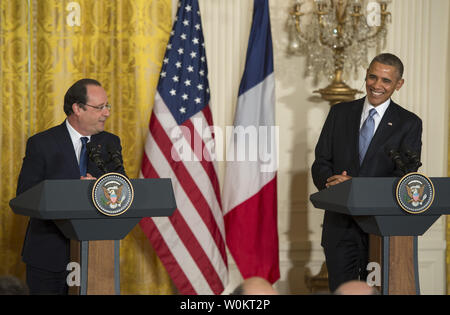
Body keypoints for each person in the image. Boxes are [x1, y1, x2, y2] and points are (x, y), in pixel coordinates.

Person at [311, 53, 422, 292]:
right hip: (340, 230)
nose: (377, 85)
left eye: (385, 81)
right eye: (373, 77)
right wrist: (333, 185)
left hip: (380, 231)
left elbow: (405, 176)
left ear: (398, 84)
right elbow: (321, 162)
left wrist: (356, 188)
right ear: (366, 75)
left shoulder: (408, 123)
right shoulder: (339, 113)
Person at [16, 78, 125, 294]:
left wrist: (103, 189)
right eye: (100, 107)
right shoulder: (42, 143)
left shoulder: (110, 143)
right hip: (48, 255)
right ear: (77, 108)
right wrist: (74, 190)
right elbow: (25, 195)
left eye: (107, 106)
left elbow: (122, 190)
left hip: (97, 255)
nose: (107, 113)